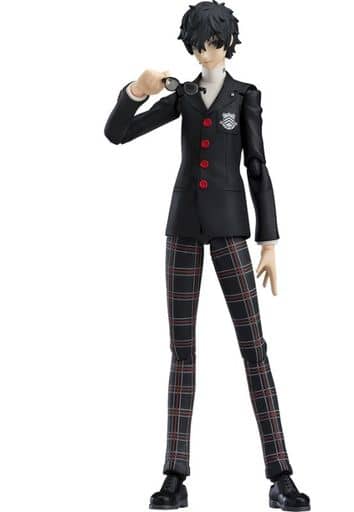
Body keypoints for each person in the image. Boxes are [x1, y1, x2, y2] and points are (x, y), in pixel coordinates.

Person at [104, 1, 310, 510]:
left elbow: (257, 167)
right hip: (182, 229)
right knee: (182, 352)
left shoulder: (245, 95)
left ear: (228, 42)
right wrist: (137, 91)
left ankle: (280, 473)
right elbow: (118, 133)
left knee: (254, 348)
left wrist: (268, 241)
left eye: (213, 42)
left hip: (231, 231)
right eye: (197, 44)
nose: (205, 51)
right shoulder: (184, 96)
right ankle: (174, 474)